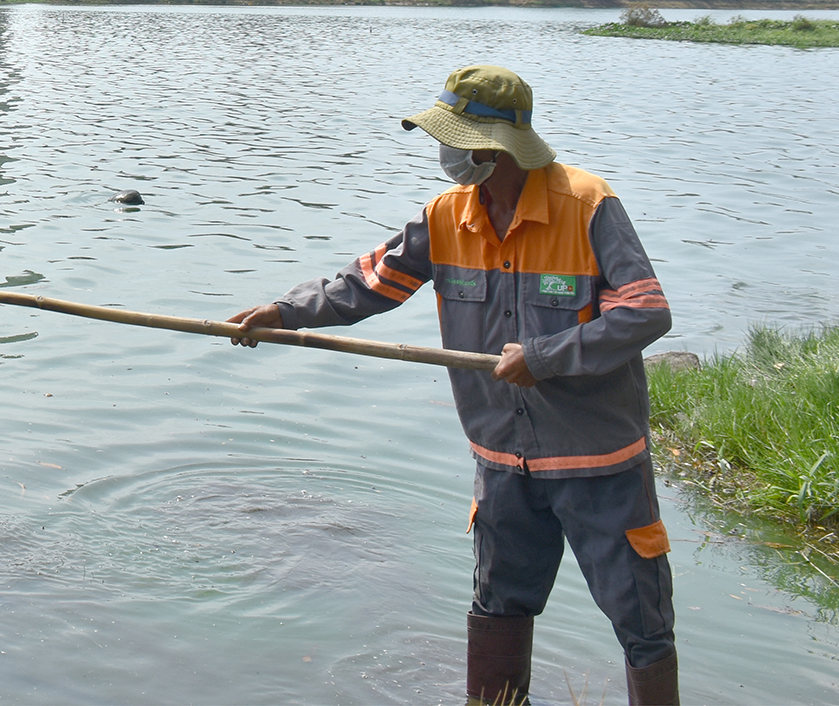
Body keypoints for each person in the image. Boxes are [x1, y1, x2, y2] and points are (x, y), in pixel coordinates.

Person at [228, 65, 677, 706]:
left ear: (497, 145)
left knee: (641, 621)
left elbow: (644, 312)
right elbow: (369, 282)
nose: (445, 152)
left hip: (596, 463)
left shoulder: (587, 206)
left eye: (456, 138)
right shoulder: (446, 216)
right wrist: (285, 312)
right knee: (497, 604)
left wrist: (547, 356)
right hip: (502, 458)